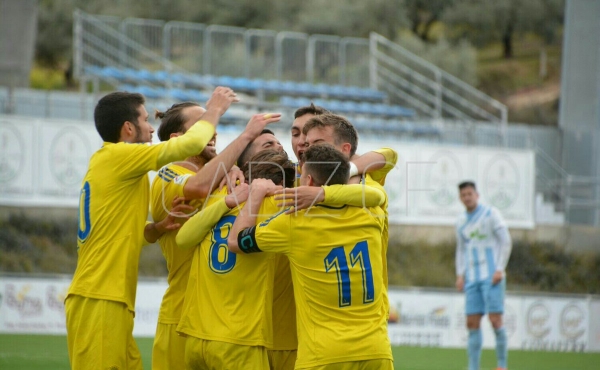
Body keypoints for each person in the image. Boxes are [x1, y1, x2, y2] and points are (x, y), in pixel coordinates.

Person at [64, 87, 237, 370]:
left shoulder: (112, 164)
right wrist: (215, 110)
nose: (150, 126)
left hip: (110, 299)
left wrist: (156, 228)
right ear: (128, 128)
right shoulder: (118, 156)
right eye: (145, 119)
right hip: (100, 298)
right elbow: (184, 146)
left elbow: (114, 228)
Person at [228, 144, 393, 370]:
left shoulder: (293, 222)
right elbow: (378, 187)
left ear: (308, 183)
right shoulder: (371, 210)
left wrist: (255, 196)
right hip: (377, 351)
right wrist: (325, 193)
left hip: (323, 355)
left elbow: (235, 241)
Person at [150, 103, 282, 370]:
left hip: (212, 323)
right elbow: (198, 186)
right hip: (181, 316)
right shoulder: (169, 174)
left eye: (213, 125)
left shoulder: (225, 179)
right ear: (178, 139)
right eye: (203, 125)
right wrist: (243, 141)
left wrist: (234, 169)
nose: (212, 131)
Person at [175, 149, 296, 370]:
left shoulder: (221, 198)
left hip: (196, 337)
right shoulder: (279, 206)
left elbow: (182, 239)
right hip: (239, 340)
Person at [455, 181, 512, 370]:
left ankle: (502, 365)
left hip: (491, 276)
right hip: (472, 278)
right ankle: (473, 367)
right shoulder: (461, 221)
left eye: (470, 194)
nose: (467, 197)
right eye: (463, 195)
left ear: (477, 195)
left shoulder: (491, 214)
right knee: (471, 323)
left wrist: (500, 269)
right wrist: (460, 274)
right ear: (460, 198)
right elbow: (461, 250)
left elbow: (506, 241)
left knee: (495, 320)